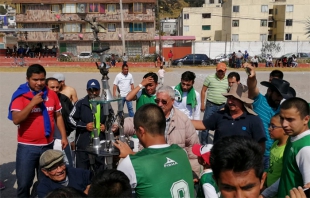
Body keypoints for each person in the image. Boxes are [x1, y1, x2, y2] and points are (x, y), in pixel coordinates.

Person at [8, 64, 68, 198]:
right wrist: (32, 103)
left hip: (47, 146)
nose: (39, 83)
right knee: (24, 183)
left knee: (45, 183)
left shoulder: (51, 94)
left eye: (42, 79)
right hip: (27, 147)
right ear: (27, 79)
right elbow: (16, 119)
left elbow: (58, 116)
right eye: (35, 79)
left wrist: (64, 137)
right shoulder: (21, 96)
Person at [114, 104, 195, 197]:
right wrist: (132, 155)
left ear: (141, 131)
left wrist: (129, 158)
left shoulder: (132, 164)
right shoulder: (181, 152)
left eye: (135, 130)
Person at [123, 85, 201, 175]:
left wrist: (194, 173)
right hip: (151, 167)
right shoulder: (150, 113)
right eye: (157, 101)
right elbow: (132, 122)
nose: (159, 104)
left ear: (172, 101)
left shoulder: (183, 120)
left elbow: (193, 149)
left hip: (174, 169)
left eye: (164, 101)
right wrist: (118, 127)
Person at [245, 63, 294, 170]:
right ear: (269, 91)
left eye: (282, 96)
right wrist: (252, 77)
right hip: (255, 152)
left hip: (272, 154)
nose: (280, 99)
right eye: (278, 95)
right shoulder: (259, 101)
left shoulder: (281, 109)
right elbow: (252, 88)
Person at [261, 97, 310, 198]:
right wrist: (265, 194)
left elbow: (308, 189)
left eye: (290, 119)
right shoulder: (292, 139)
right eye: (282, 118)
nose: (284, 124)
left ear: (306, 119)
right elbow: (285, 175)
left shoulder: (306, 149)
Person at [193, 83, 266, 148]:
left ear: (243, 101)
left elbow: (260, 145)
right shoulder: (220, 115)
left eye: (234, 99)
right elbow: (203, 124)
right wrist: (182, 120)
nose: (230, 101)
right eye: (229, 98)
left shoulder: (253, 120)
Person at [69, 79, 114, 170]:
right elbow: (70, 119)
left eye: (95, 90)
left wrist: (106, 126)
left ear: (99, 90)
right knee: (81, 171)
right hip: (83, 144)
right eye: (90, 90)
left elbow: (112, 117)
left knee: (99, 170)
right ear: (87, 90)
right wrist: (84, 126)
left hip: (100, 144)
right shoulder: (80, 103)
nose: (93, 92)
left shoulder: (105, 103)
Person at [45, 77, 74, 167]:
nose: (56, 90)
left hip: (62, 137)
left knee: (67, 162)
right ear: (46, 87)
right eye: (52, 87)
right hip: (46, 139)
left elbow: (72, 116)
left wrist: (69, 135)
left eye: (57, 87)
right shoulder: (41, 100)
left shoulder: (64, 99)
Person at [200, 63, 228, 144]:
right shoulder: (210, 78)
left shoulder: (228, 80)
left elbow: (230, 93)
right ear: (216, 70)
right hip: (210, 105)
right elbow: (203, 91)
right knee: (205, 126)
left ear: (225, 71)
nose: (220, 73)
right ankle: (203, 145)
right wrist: (202, 104)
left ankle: (216, 145)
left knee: (220, 127)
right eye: (219, 71)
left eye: (222, 71)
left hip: (222, 107)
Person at [266, 113, 288, 187]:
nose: (269, 128)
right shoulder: (275, 143)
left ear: (285, 129)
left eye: (273, 126)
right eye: (269, 125)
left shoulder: (287, 150)